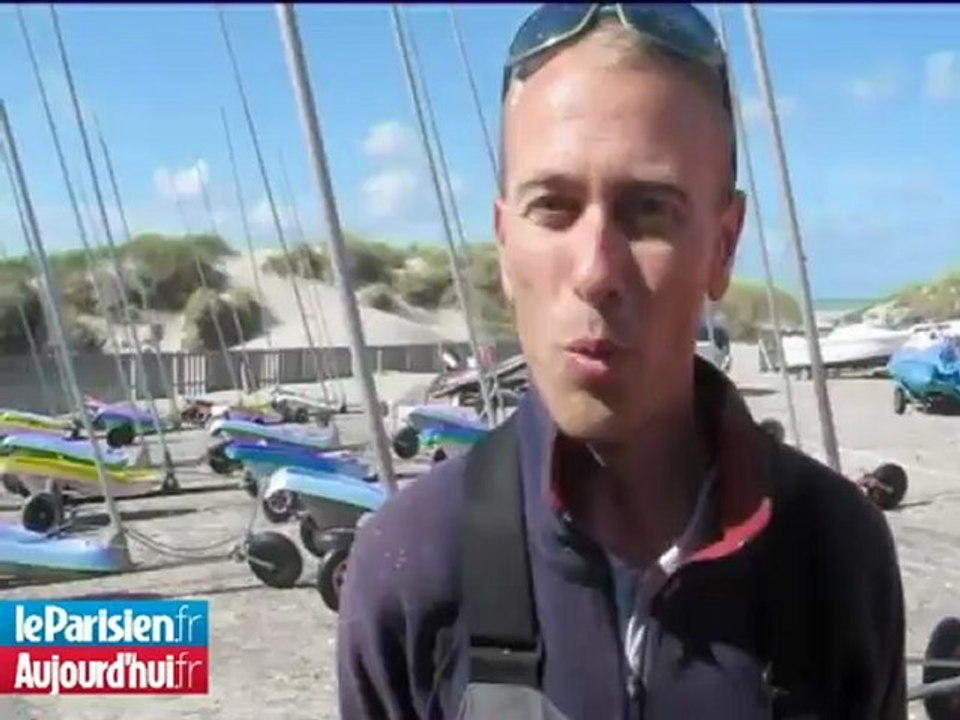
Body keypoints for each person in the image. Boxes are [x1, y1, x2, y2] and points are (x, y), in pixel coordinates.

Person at [337, 4, 906, 719]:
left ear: (723, 245)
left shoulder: (836, 552)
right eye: (554, 207)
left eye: (649, 211)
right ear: (505, 243)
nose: (596, 272)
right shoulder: (414, 564)